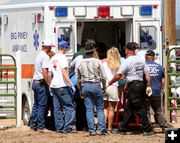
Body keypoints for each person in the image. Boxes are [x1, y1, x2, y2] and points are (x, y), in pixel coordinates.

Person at [109, 42, 153, 135]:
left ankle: (147, 129)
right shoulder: (141, 60)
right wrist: (148, 86)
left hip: (133, 86)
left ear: (128, 50)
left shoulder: (127, 61)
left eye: (125, 50)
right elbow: (147, 74)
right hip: (141, 85)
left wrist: (110, 82)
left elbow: (119, 75)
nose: (125, 51)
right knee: (129, 108)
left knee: (140, 108)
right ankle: (122, 128)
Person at [76, 43, 107, 136]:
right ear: (93, 51)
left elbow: (78, 79)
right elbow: (104, 76)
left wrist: (80, 89)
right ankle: (101, 129)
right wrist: (104, 86)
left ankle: (92, 130)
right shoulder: (97, 62)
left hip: (86, 85)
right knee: (99, 108)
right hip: (96, 85)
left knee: (89, 109)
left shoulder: (80, 62)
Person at [48, 40, 76, 134]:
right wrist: (71, 83)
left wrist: (49, 85)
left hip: (54, 85)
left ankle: (59, 127)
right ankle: (67, 127)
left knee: (57, 107)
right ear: (64, 48)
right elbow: (64, 72)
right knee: (69, 106)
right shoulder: (63, 58)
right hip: (62, 85)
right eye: (67, 47)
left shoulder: (53, 58)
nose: (67, 49)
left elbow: (49, 73)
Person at [30, 40, 55, 132]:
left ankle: (33, 125)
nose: (51, 48)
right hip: (41, 83)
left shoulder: (39, 55)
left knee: (36, 105)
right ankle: (41, 126)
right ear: (47, 47)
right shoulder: (45, 57)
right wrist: (49, 84)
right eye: (50, 47)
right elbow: (45, 71)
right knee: (42, 105)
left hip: (35, 82)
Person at [145, 50, 168, 131]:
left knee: (146, 110)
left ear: (146, 57)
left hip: (147, 90)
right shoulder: (159, 67)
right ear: (154, 57)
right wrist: (161, 89)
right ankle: (164, 126)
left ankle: (148, 128)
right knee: (158, 110)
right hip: (157, 91)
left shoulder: (144, 66)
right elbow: (163, 80)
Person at [103, 47, 121, 134]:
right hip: (113, 86)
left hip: (104, 86)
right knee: (111, 109)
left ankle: (102, 127)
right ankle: (109, 128)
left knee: (104, 108)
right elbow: (121, 76)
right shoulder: (118, 65)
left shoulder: (104, 64)